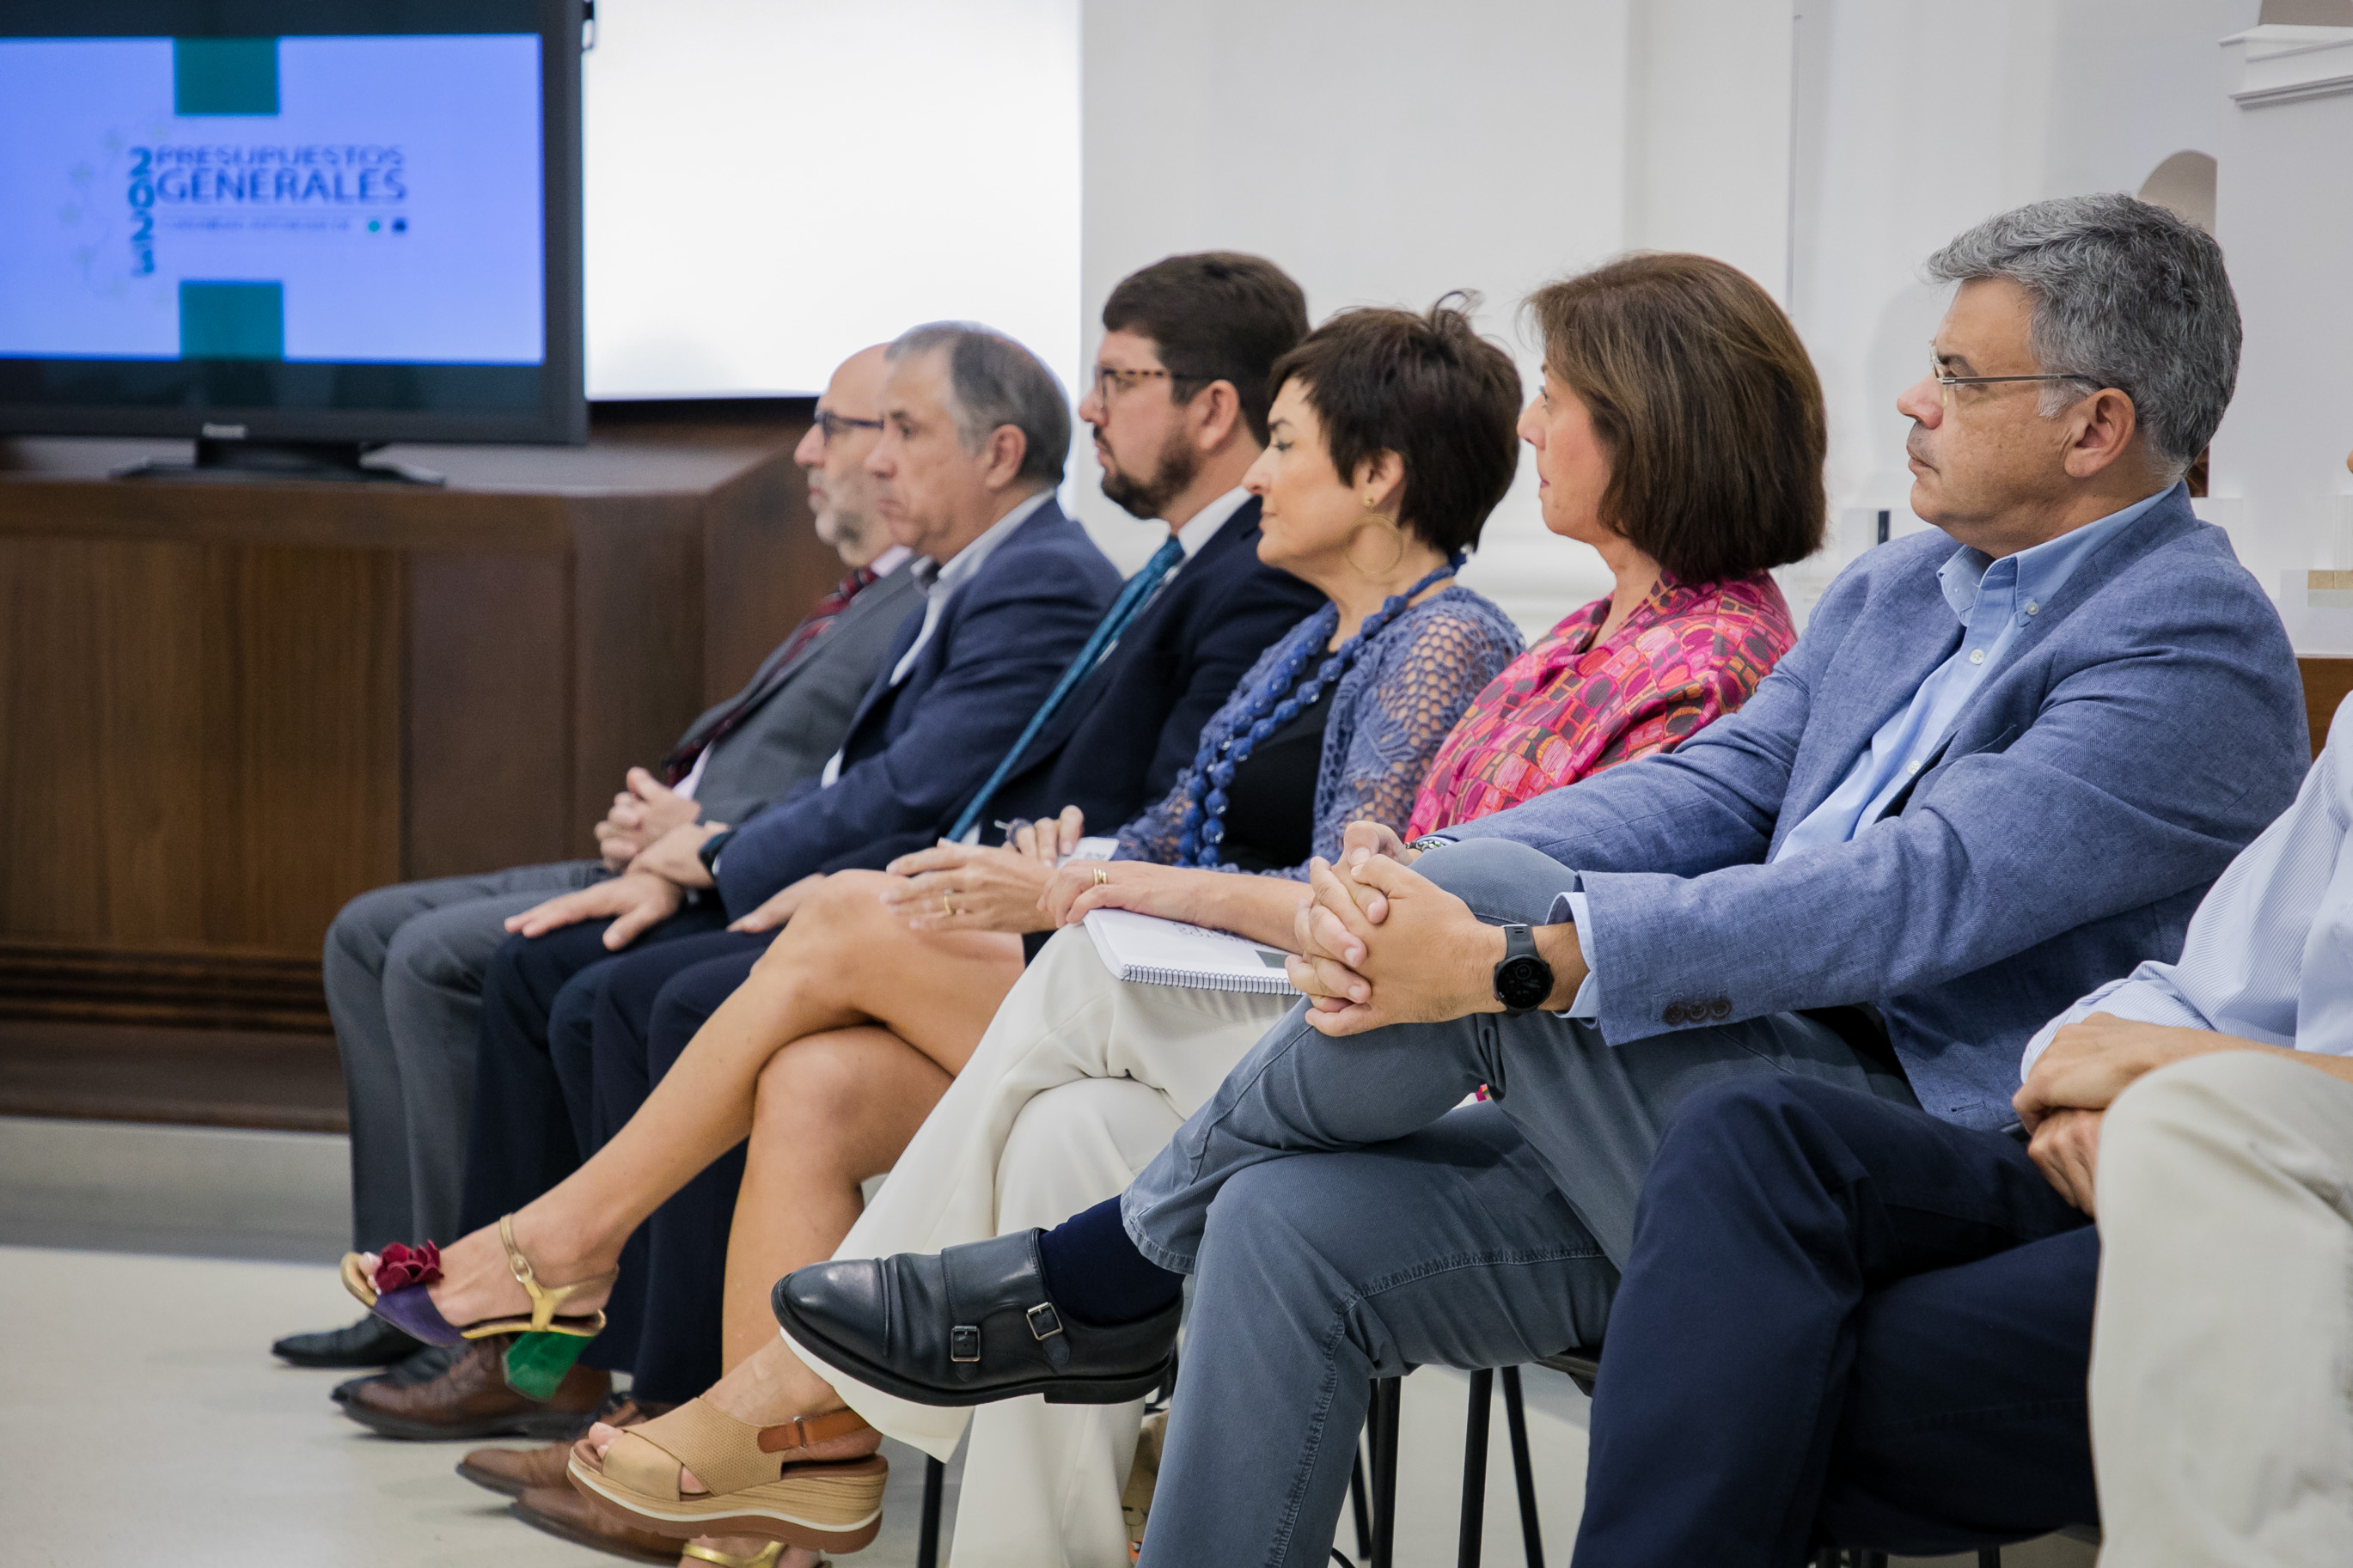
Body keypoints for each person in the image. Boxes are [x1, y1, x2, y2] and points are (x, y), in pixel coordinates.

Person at [776, 195, 2309, 1568]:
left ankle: (1095, 1279)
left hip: (1897, 1146)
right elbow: (1719, 789)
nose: (1910, 399)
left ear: (2093, 426)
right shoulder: (1910, 583)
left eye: (1959, 378)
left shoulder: (2184, 643)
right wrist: (1425, 883)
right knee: (1281, 1227)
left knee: (1487, 899)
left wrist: (1531, 947)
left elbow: (1908, 894)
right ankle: (1103, 1288)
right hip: (1692, 1103)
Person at [590, 254, 1836, 1568]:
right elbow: (1388, 861)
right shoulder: (1571, 637)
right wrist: (1135, 868)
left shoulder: (1698, 660)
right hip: (1369, 1028)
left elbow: (1490, 907)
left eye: (1563, 398)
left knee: (1062, 972)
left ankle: (789, 1396)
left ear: (1656, 425)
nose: (1533, 424)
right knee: (1069, 1125)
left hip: (1495, 1080)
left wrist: (1126, 886)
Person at [358, 295, 1526, 1563]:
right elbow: (1168, 831)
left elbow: (1342, 897)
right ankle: (783, 1488)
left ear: (1381, 477)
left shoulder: (1444, 643)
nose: (1257, 471)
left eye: (1287, 444)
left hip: (1289, 1036)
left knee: (854, 914)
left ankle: (585, 1253)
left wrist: (1088, 891)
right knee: (815, 1082)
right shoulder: (1313, 636)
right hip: (1177, 987)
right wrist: (1052, 869)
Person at [333, 320, 1127, 1438]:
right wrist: (693, 846)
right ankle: (576, 1358)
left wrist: (708, 851)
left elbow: (912, 791)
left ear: (997, 453)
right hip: (873, 887)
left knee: (642, 994)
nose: (873, 459)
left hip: (941, 910)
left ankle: (670, 1390)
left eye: (902, 430)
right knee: (556, 970)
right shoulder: (960, 575)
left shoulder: (1038, 576)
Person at [1568, 693, 2353, 1567]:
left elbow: (1930, 882)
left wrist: (2177, 1077)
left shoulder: (2183, 629)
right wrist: (2089, 1084)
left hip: (2292, 1203)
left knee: (1735, 1385)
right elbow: (2191, 986)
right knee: (1751, 1127)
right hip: (2153, 1142)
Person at [275, 345, 923, 1374]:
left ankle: (489, 1327)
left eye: (841, 428)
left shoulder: (942, 596)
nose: (811, 451)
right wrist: (674, 823)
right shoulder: (870, 592)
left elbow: (881, 788)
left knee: (453, 957)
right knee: (367, 929)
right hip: (691, 850)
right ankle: (419, 1287)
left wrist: (699, 840)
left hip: (726, 868)